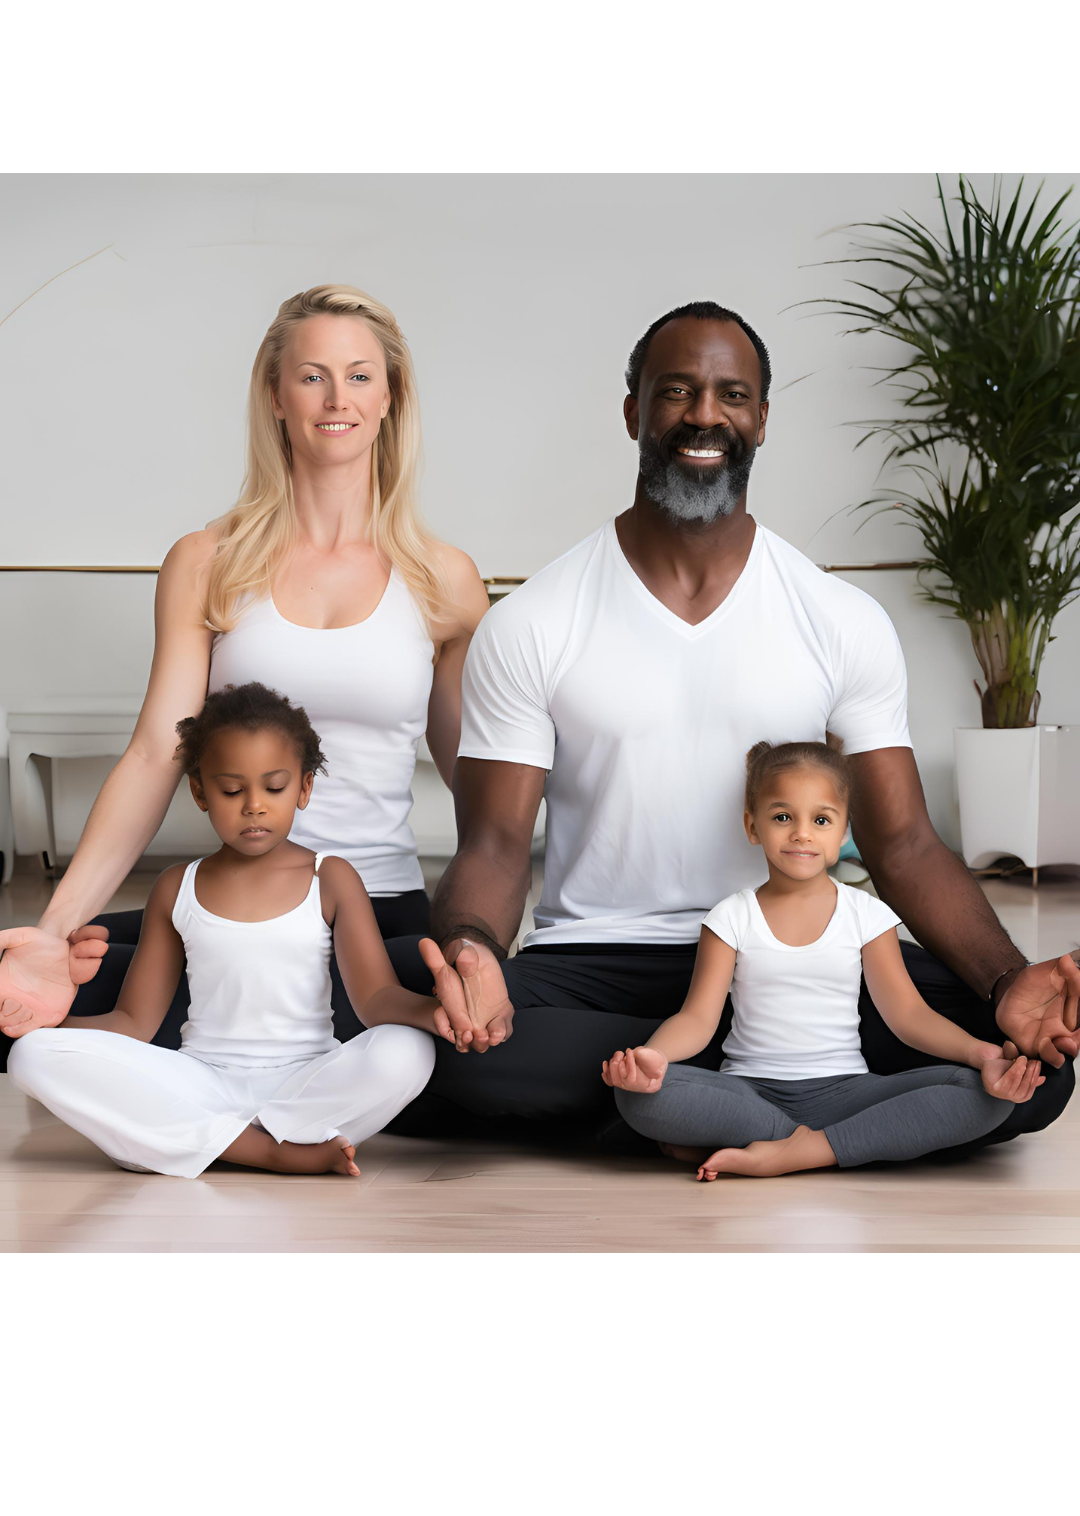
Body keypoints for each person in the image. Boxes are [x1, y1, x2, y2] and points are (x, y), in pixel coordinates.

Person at [410, 300, 1079, 1151]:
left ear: (761, 418)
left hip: (803, 964)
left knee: (1035, 1072)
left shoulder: (839, 618)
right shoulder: (536, 620)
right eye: (676, 392)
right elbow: (494, 848)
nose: (703, 415)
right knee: (427, 1029)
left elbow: (904, 843)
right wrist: (470, 952)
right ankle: (828, 1116)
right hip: (605, 964)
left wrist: (1007, 981)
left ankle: (679, 1107)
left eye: (731, 394)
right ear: (633, 414)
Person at [0, 284, 488, 1060]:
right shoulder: (208, 563)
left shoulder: (444, 581)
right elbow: (157, 753)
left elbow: (482, 788)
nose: (337, 397)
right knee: (21, 991)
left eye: (361, 375)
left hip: (376, 913)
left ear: (391, 396)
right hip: (234, 900)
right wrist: (52, 931)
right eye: (312, 375)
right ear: (275, 397)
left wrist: (488, 943)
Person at [5, 684, 444, 1177]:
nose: (253, 805)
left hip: (305, 1079)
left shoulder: (332, 877)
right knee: (30, 1056)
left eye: (273, 787)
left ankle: (206, 1140)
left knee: (408, 1051)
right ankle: (274, 1148)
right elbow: (133, 1023)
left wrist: (436, 1012)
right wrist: (52, 1023)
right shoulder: (177, 886)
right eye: (232, 791)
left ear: (304, 788)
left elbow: (376, 998)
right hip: (203, 1080)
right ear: (200, 792)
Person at [602, 740, 1045, 1179]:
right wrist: (652, 1057)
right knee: (637, 1097)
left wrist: (981, 1054)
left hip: (848, 1092)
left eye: (820, 819)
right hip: (749, 1094)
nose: (801, 833)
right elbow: (697, 1019)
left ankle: (799, 1150)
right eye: (782, 817)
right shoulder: (730, 916)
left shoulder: (866, 915)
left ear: (842, 833)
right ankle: (826, 1143)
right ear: (752, 826)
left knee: (985, 1095)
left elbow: (908, 1015)